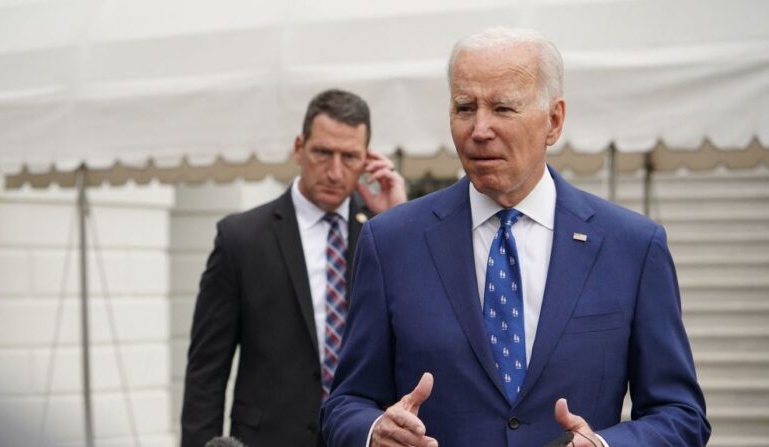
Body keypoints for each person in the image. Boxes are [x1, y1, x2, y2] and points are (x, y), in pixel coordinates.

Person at [321, 28, 710, 447]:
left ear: (554, 121)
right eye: (465, 107)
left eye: (504, 108)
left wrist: (606, 445)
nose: (480, 129)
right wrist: (376, 430)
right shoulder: (392, 243)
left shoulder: (631, 246)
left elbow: (681, 415)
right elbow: (346, 404)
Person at [181, 89, 407, 447]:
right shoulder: (241, 238)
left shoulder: (382, 234)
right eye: (322, 153)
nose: (335, 171)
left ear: (368, 161)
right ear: (299, 147)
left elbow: (412, 331)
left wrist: (397, 218)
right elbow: (206, 371)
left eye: (349, 157)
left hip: (360, 437)